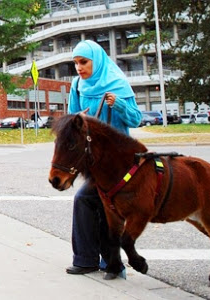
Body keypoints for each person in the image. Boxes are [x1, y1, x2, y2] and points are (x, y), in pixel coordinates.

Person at [66, 40, 142, 276]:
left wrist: (118, 105)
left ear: (96, 61)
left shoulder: (117, 84)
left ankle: (111, 263)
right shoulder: (78, 85)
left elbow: (136, 119)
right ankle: (87, 259)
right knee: (86, 200)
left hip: (120, 161)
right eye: (76, 63)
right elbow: (71, 121)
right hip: (96, 161)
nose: (79, 67)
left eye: (83, 62)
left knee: (96, 202)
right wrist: (77, 119)